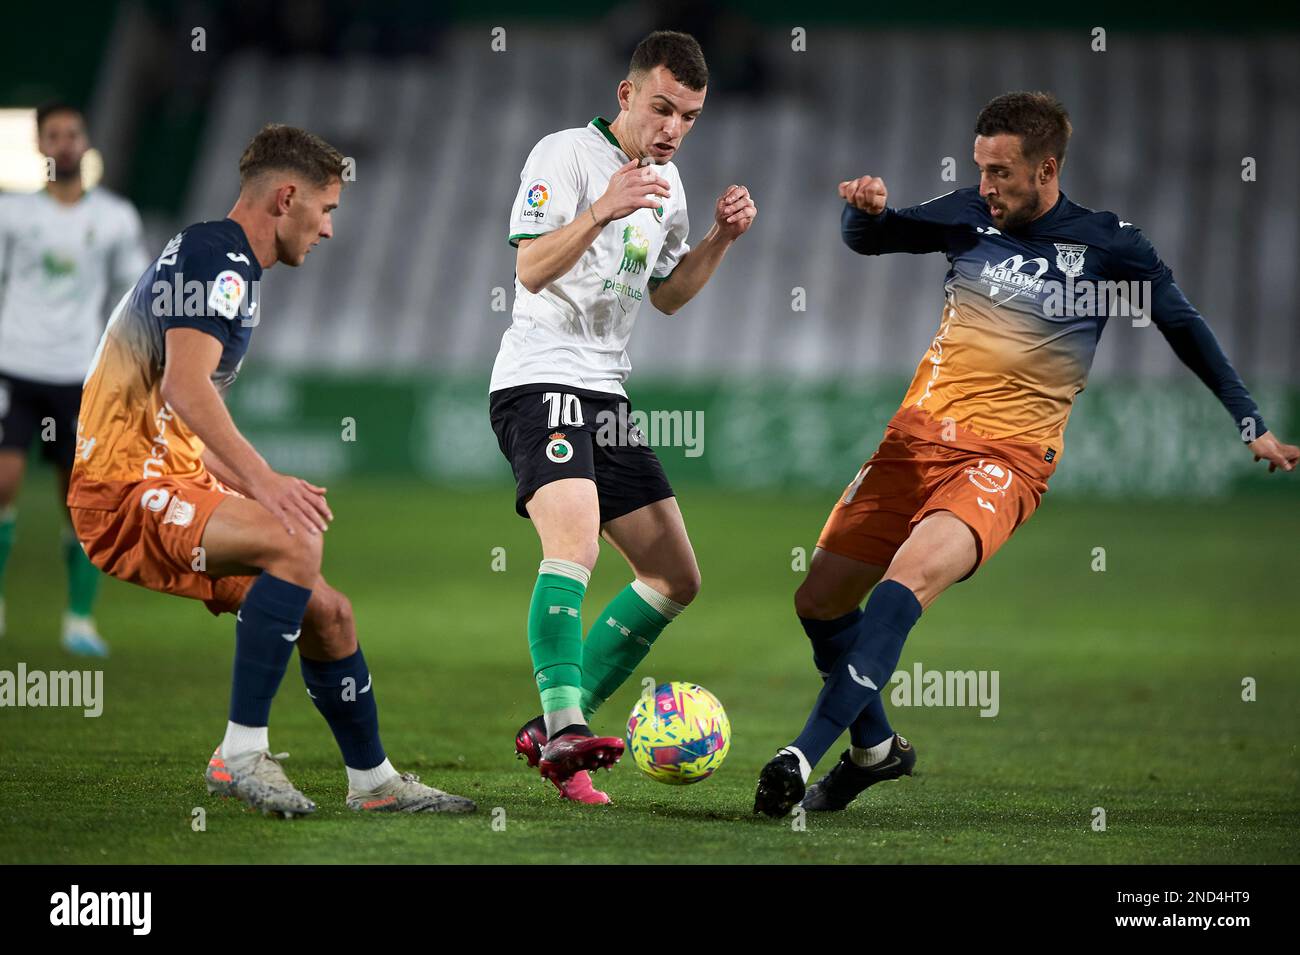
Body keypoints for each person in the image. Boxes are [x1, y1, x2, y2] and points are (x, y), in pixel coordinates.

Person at [754, 90, 1298, 818]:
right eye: (981, 168)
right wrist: (866, 209)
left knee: (903, 585)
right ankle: (876, 750)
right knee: (819, 602)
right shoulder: (966, 214)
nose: (986, 185)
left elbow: (1183, 325)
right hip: (912, 442)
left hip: (1005, 460)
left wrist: (1248, 418)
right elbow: (872, 239)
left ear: (1047, 168)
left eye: (1001, 172)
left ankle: (799, 752)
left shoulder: (1108, 245)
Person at [68, 124, 476, 817]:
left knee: (332, 614)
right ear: (288, 196)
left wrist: (253, 483)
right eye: (328, 209)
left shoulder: (229, 266)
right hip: (124, 487)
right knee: (293, 539)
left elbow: (193, 414)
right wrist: (264, 485)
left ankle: (373, 782)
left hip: (171, 477)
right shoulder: (215, 257)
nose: (329, 230)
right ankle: (240, 753)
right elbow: (185, 391)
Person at [489, 30, 757, 803]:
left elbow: (667, 294)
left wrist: (720, 239)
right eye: (663, 108)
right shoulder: (563, 155)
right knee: (573, 545)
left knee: (674, 576)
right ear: (627, 96)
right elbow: (530, 268)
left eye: (691, 116)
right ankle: (566, 724)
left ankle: (553, 733)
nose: (673, 128)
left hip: (607, 392)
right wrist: (601, 211)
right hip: (541, 378)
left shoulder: (668, 188)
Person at [0, 103, 148, 655]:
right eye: (53, 135)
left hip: (76, 374)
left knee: (80, 500)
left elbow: (132, 295)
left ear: (86, 143)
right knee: (4, 484)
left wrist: (128, 365)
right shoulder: (12, 213)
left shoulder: (114, 217)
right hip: (13, 364)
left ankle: (79, 620)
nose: (64, 143)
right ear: (40, 146)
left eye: (73, 134)